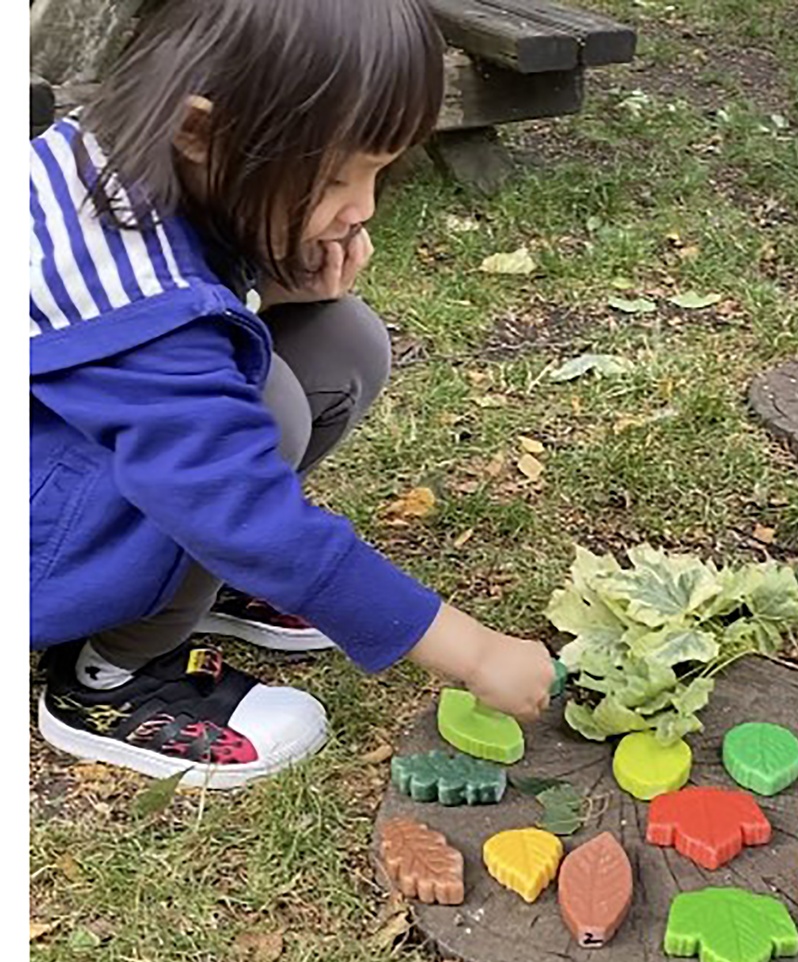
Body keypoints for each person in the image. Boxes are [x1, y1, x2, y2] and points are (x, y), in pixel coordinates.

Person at [30, 0, 555, 790]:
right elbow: (231, 490)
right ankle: (109, 675)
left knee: (341, 339)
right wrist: (474, 652)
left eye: (380, 170)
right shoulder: (123, 287)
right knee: (259, 408)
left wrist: (271, 288)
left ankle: (185, 583)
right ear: (203, 131)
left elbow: (175, 343)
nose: (365, 206)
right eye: (339, 175)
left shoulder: (132, 157)